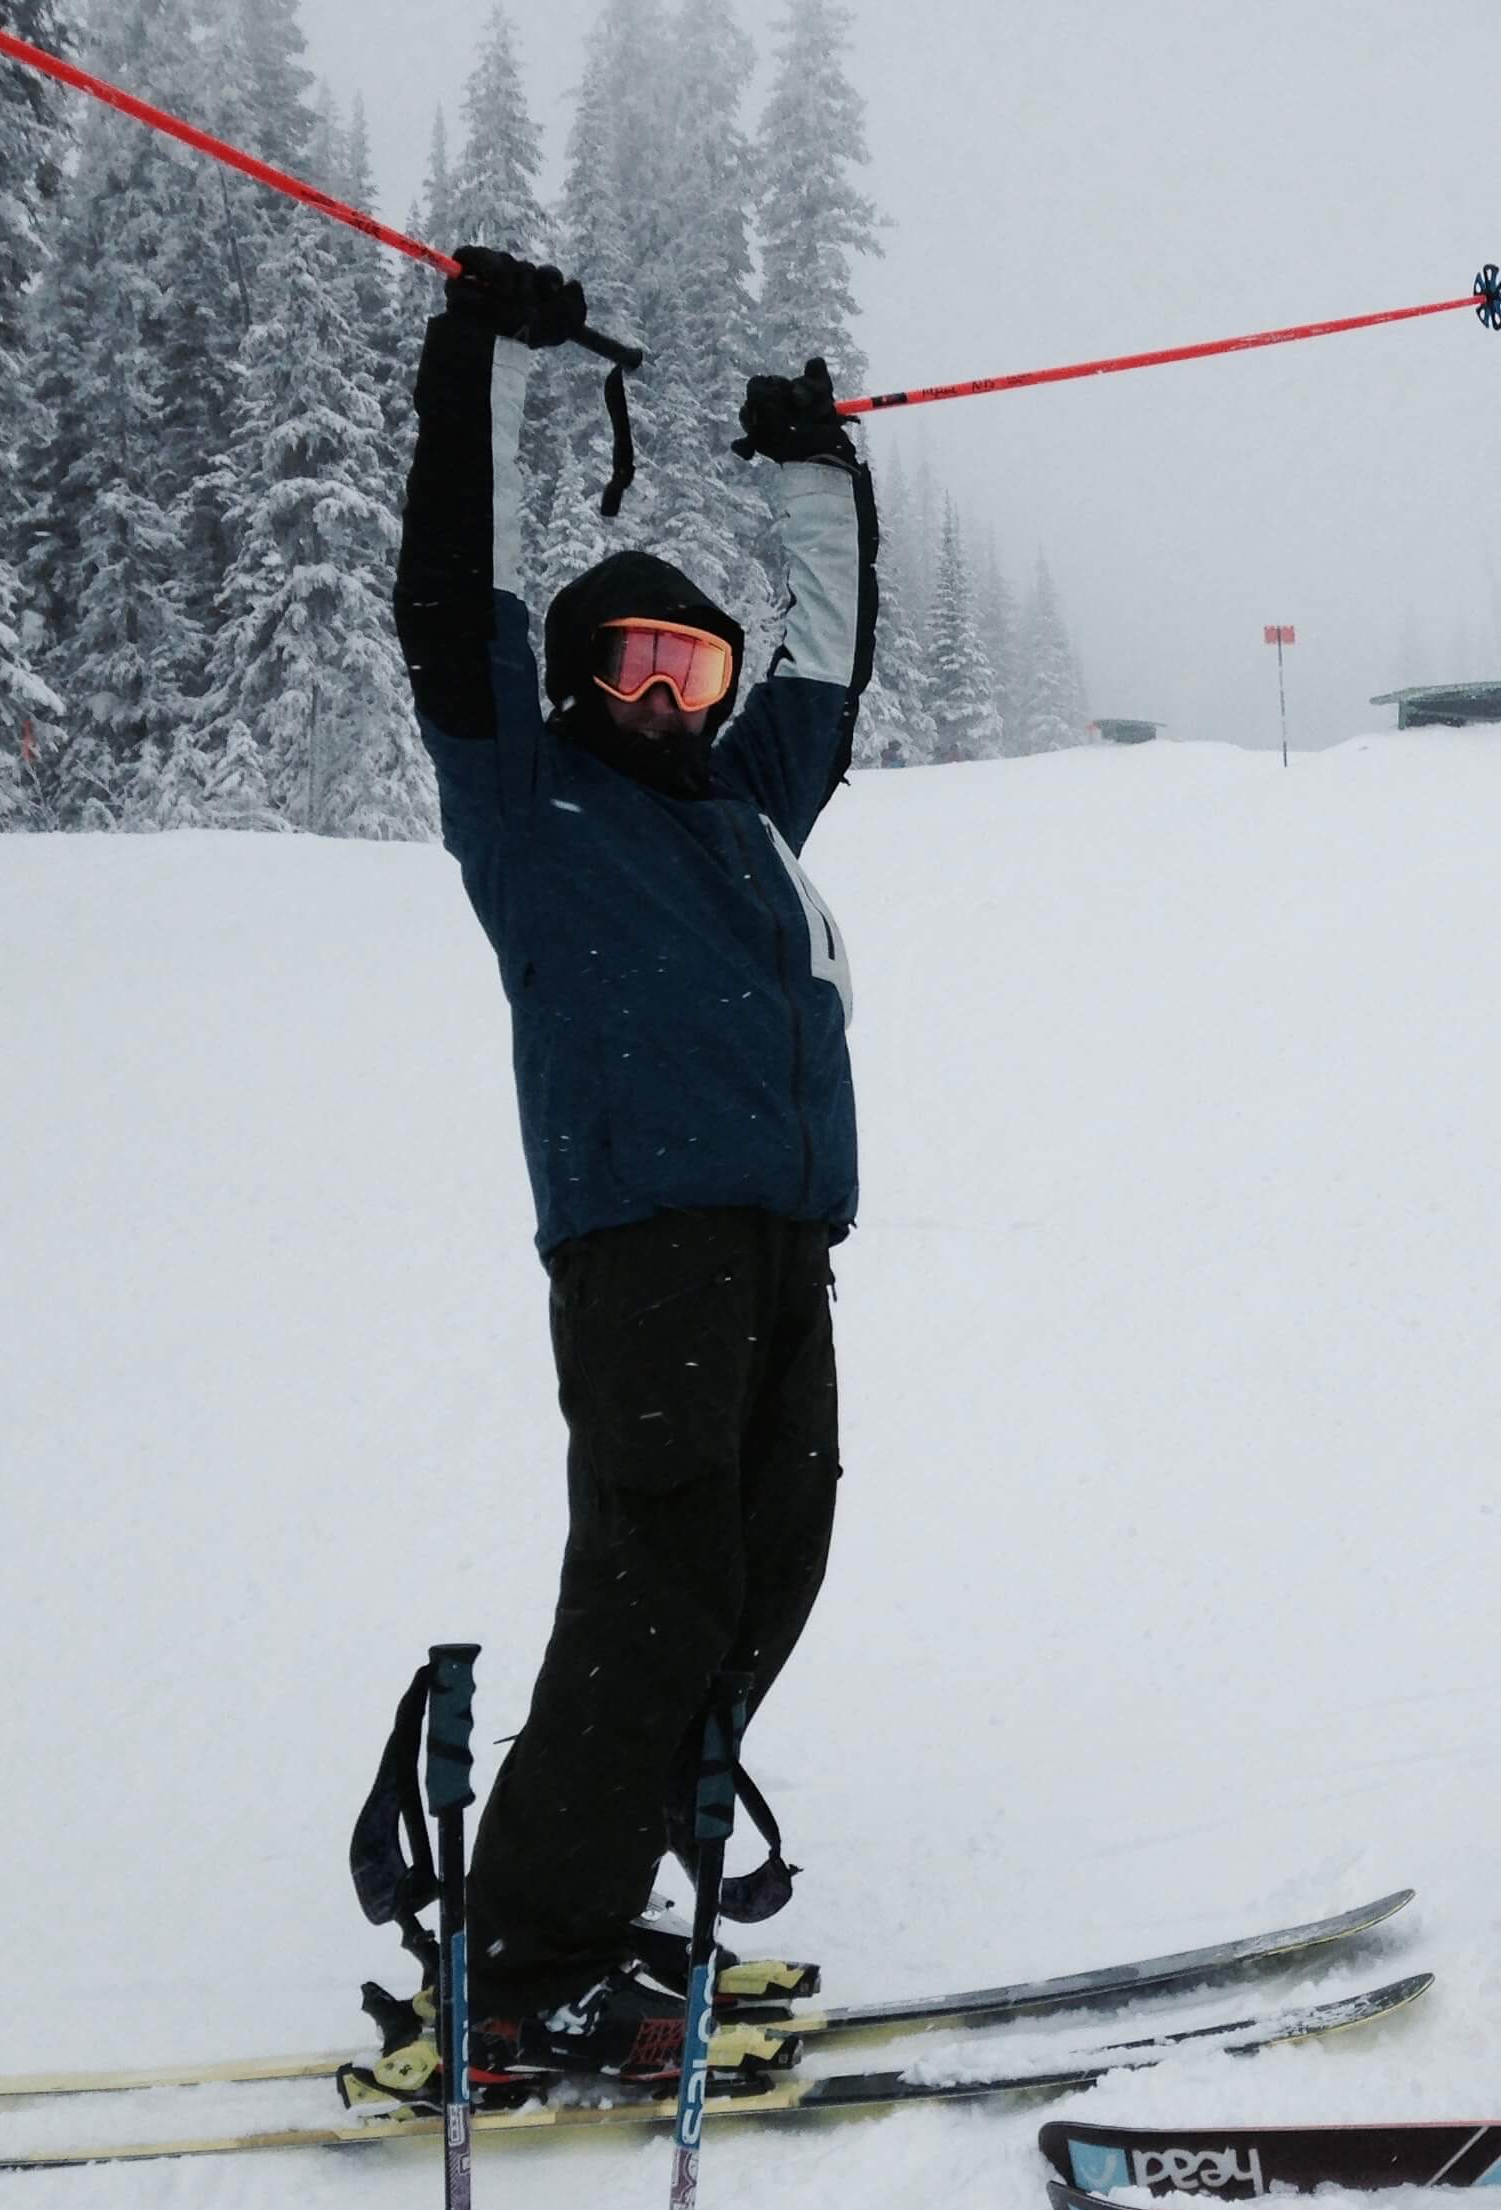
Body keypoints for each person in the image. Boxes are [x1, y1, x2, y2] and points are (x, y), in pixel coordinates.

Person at [363, 247, 878, 2097]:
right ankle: (528, 1961)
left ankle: (584, 1875)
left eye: (693, 662)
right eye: (633, 662)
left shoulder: (742, 801)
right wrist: (482, 356)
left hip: (776, 1232)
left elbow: (828, 664)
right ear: (578, 678)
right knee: (658, 1572)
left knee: (769, 1555)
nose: (667, 692)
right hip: (638, 1231)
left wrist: (811, 468)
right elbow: (456, 592)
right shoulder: (526, 789)